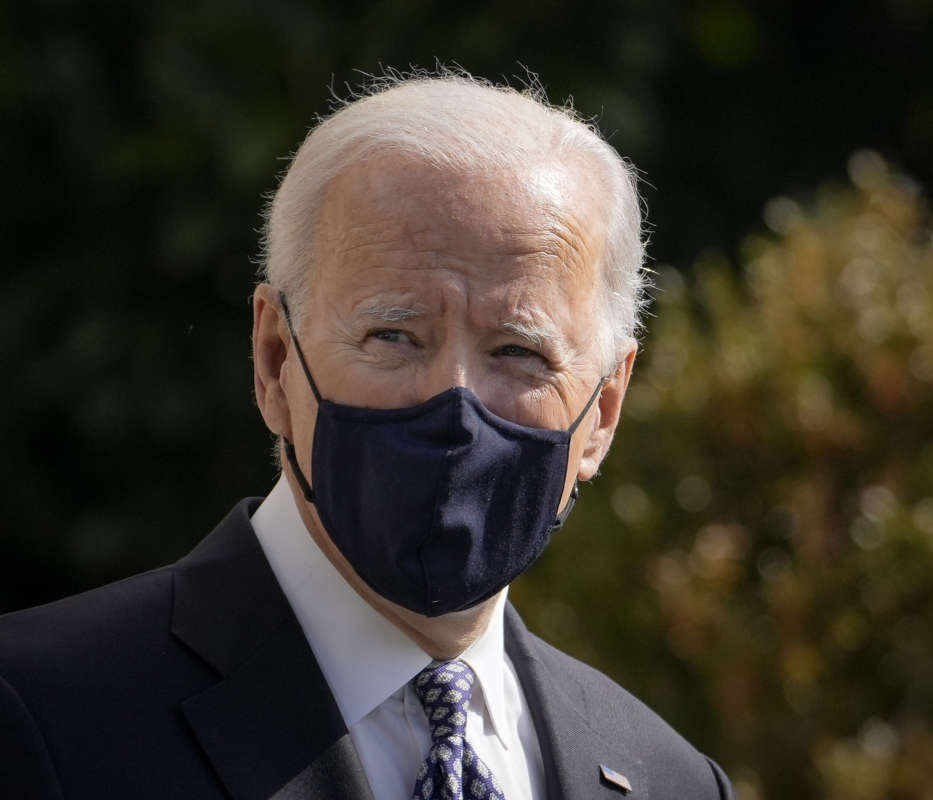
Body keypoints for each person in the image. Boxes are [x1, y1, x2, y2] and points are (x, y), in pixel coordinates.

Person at [0, 73, 733, 799]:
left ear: (603, 410)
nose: (453, 402)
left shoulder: (674, 780)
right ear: (275, 360)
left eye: (518, 351)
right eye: (394, 335)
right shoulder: (37, 717)